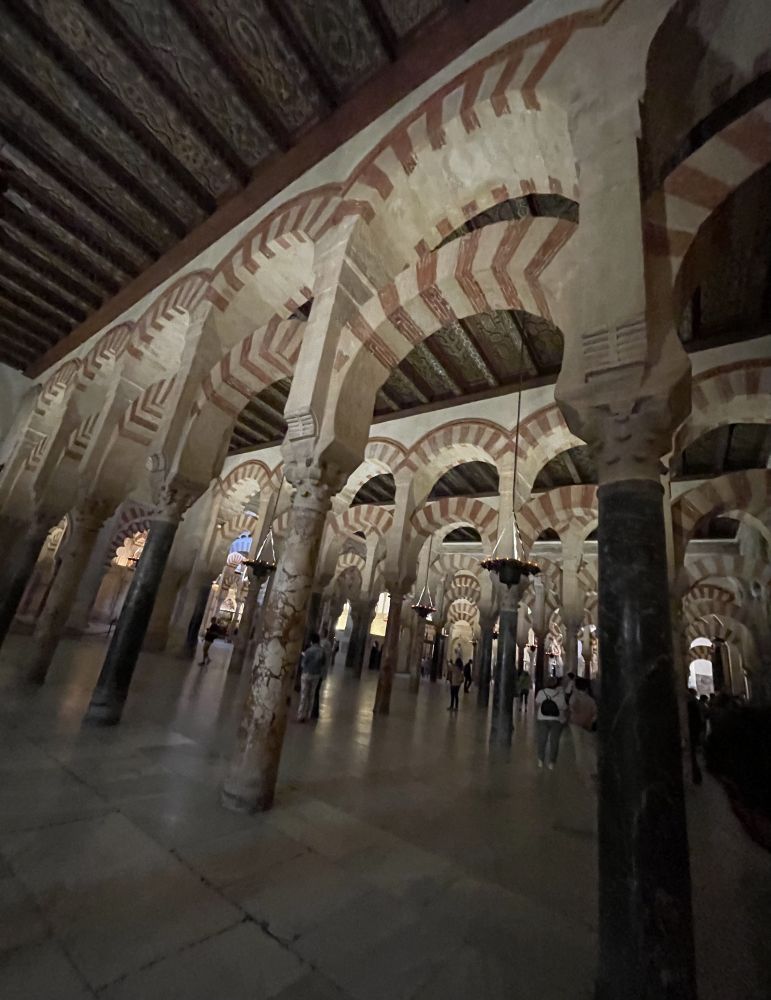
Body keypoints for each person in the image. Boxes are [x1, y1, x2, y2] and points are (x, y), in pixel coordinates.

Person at [568, 676, 598, 785]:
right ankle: (594, 769)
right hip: (587, 725)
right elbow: (595, 713)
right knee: (590, 747)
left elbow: (572, 709)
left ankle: (580, 769)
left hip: (575, 724)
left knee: (578, 747)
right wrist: (590, 721)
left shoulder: (574, 698)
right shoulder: (591, 700)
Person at [535, 675, 568, 769]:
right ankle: (551, 762)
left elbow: (537, 703)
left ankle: (540, 760)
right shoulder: (560, 694)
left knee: (542, 739)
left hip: (542, 718)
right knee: (554, 741)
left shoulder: (541, 692)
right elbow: (563, 707)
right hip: (556, 719)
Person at [297, 633, 327, 722]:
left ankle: (301, 715)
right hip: (316, 675)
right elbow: (323, 663)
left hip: (306, 674)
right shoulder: (322, 651)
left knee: (304, 695)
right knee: (311, 695)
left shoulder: (309, 651)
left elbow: (303, 664)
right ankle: (308, 715)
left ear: (311, 641)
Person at [686, 687, 704, 785]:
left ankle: (696, 777)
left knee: (692, 755)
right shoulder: (695, 704)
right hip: (694, 731)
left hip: (692, 731)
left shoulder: (691, 705)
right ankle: (697, 777)